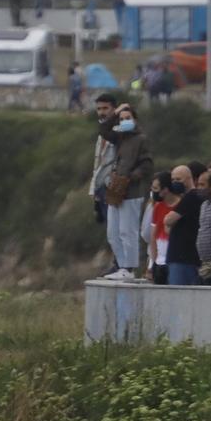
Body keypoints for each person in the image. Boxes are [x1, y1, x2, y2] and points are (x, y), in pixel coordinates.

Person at [97, 103, 152, 282]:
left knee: (127, 231)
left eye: (128, 118)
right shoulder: (120, 137)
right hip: (115, 191)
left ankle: (129, 268)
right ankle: (121, 265)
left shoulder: (141, 139)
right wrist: (116, 113)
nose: (124, 121)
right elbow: (103, 130)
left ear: (135, 120)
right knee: (113, 233)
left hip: (132, 192)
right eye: (122, 119)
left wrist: (130, 177)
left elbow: (147, 164)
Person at [88, 92, 118, 271]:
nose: (101, 112)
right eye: (99, 109)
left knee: (117, 228)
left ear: (114, 109)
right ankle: (116, 263)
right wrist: (94, 189)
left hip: (112, 185)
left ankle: (120, 265)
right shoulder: (102, 133)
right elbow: (97, 162)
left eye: (105, 108)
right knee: (109, 229)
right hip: (101, 186)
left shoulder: (118, 130)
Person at [161, 164, 205, 286]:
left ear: (188, 179)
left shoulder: (191, 197)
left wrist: (169, 220)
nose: (175, 182)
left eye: (178, 179)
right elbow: (167, 229)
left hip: (183, 257)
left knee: (179, 292)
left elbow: (168, 220)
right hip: (183, 256)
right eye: (173, 180)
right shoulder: (186, 199)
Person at [147, 171, 175, 285]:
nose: (153, 191)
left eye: (156, 188)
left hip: (173, 262)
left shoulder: (180, 206)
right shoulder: (158, 207)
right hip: (159, 263)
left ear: (165, 189)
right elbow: (153, 237)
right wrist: (153, 263)